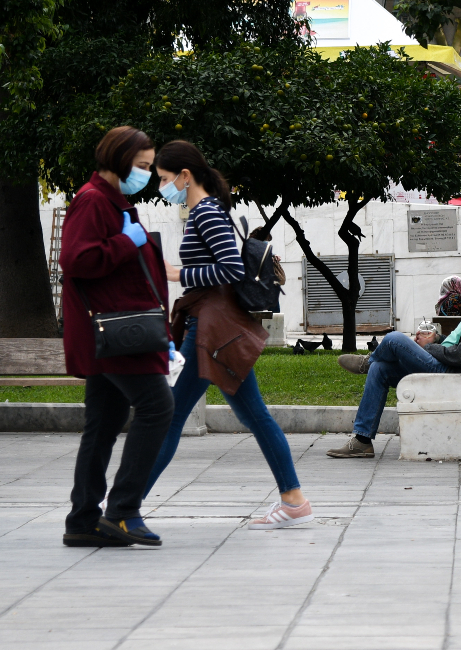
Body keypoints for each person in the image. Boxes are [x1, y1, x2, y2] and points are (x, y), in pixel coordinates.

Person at [143, 140, 314, 530]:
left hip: (208, 328)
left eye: (166, 179)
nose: (163, 188)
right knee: (253, 414)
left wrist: (178, 274)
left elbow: (232, 269)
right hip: (214, 328)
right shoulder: (205, 211)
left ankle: (125, 506)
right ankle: (294, 501)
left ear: (185, 176)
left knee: (169, 417)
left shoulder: (205, 213)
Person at [60, 126, 175, 547]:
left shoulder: (114, 202)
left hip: (116, 332)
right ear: (119, 158)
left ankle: (83, 520)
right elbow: (75, 260)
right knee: (157, 407)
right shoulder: (93, 201)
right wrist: (125, 243)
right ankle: (123, 511)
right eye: (142, 166)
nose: (145, 174)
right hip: (116, 333)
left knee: (103, 424)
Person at [328, 255, 461, 458]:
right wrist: (437, 339)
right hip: (449, 365)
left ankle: (367, 361)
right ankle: (362, 441)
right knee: (380, 369)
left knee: (393, 339)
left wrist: (429, 347)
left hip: (453, 372)